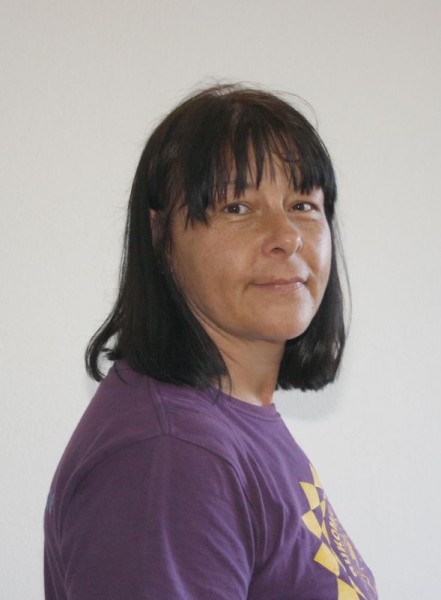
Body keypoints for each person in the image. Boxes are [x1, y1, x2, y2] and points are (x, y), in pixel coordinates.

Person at [44, 84, 378, 599]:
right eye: (237, 207)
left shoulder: (228, 425)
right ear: (161, 237)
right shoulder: (170, 456)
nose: (286, 236)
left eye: (302, 204)